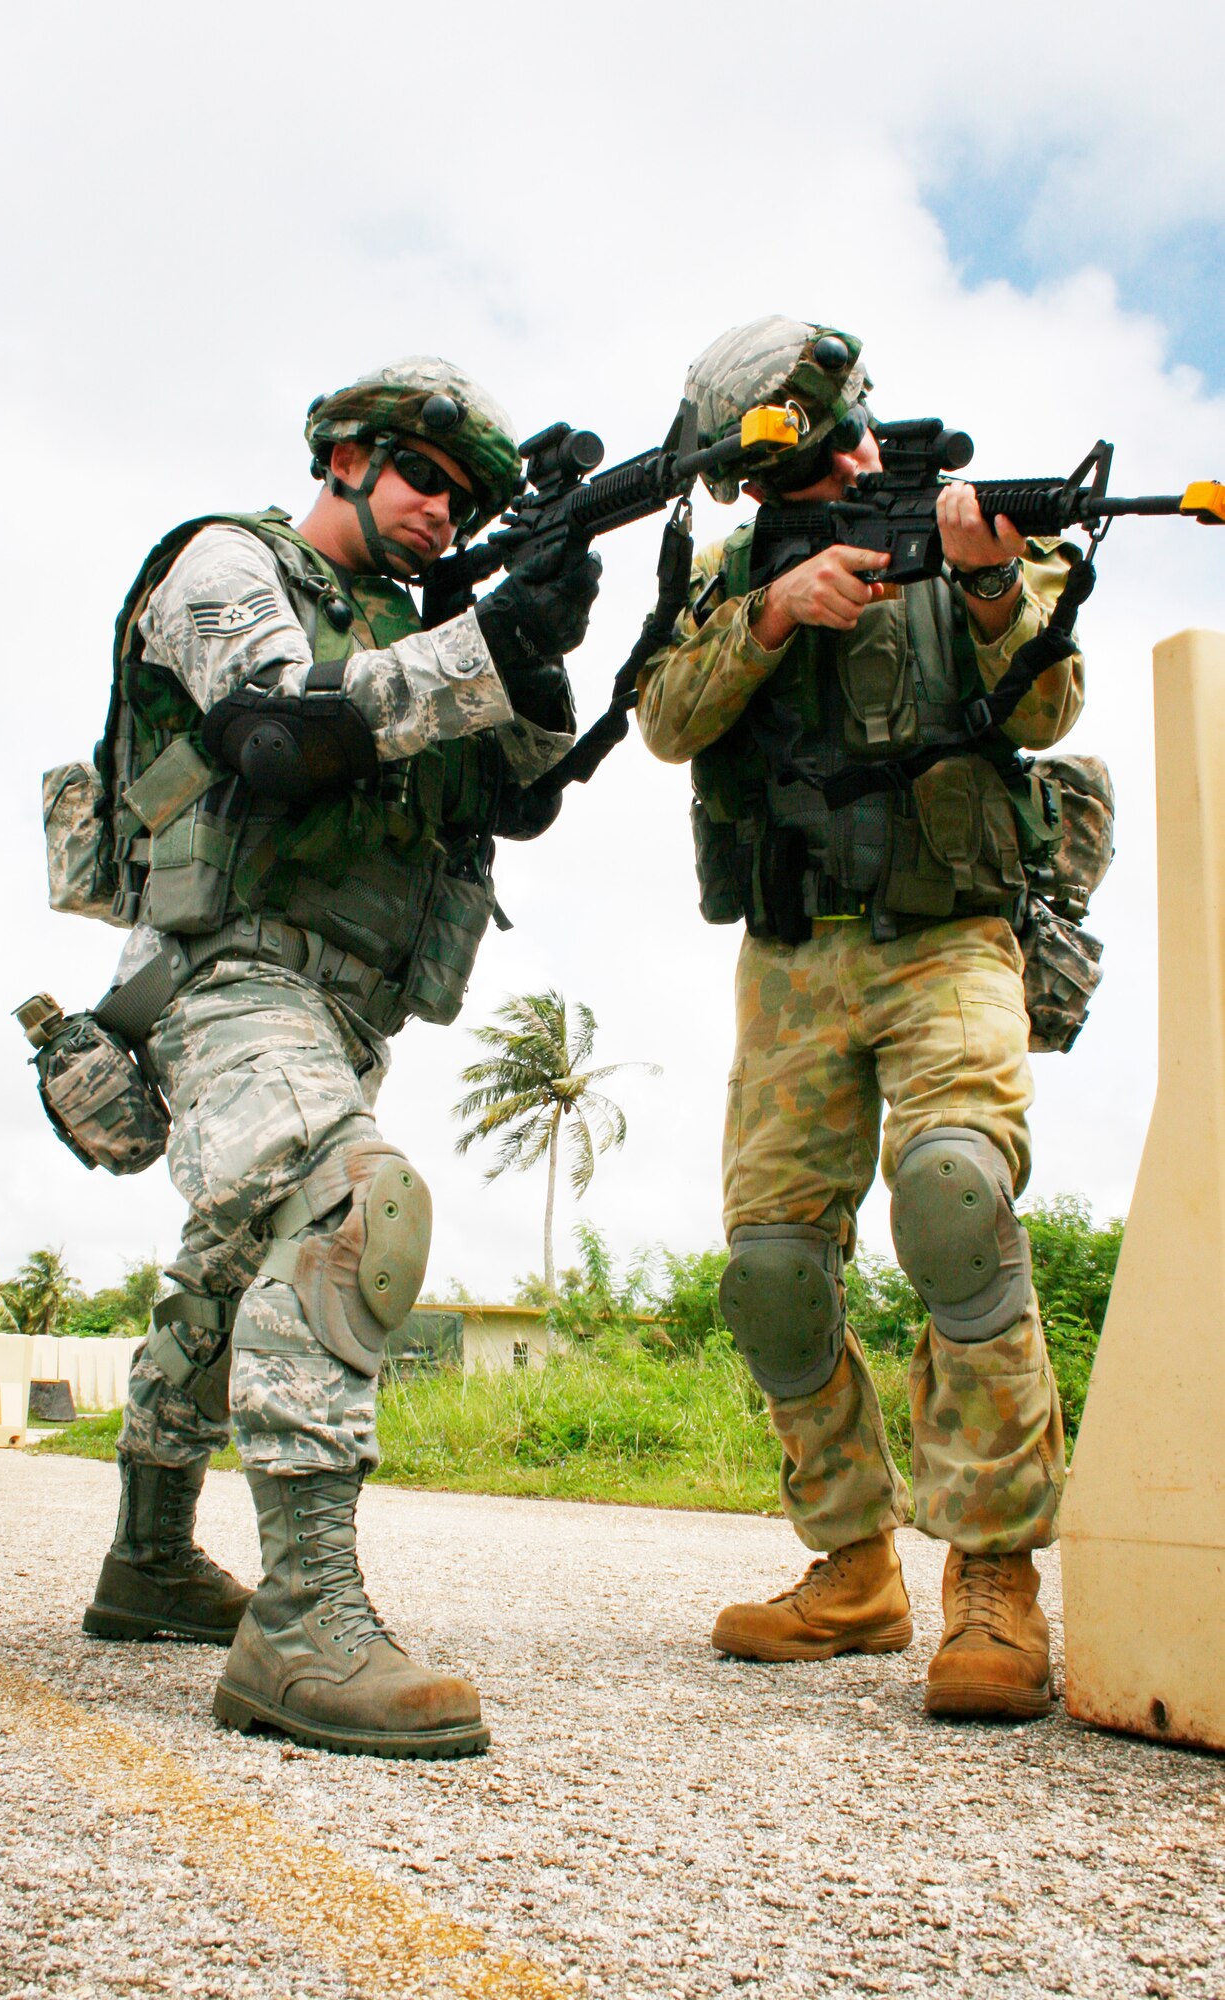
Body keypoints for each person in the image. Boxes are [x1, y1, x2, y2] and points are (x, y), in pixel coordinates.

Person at [80, 356, 600, 1757]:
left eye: (471, 496)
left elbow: (527, 795)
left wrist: (536, 634)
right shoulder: (225, 563)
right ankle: (302, 1617)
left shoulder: (409, 622)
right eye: (425, 475)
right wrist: (476, 645)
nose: (445, 508)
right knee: (346, 1198)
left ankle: (147, 1561)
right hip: (225, 974)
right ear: (349, 459)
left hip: (348, 1003)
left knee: (232, 1259)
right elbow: (273, 725)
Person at [637, 317, 1084, 1720]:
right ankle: (849, 1571)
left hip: (948, 935)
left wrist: (991, 585)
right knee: (772, 1274)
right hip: (789, 957)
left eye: (813, 442)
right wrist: (775, 616)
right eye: (766, 468)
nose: (812, 474)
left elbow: (1050, 709)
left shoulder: (977, 531)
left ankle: (995, 1582)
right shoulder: (730, 574)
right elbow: (662, 718)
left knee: (952, 1205)